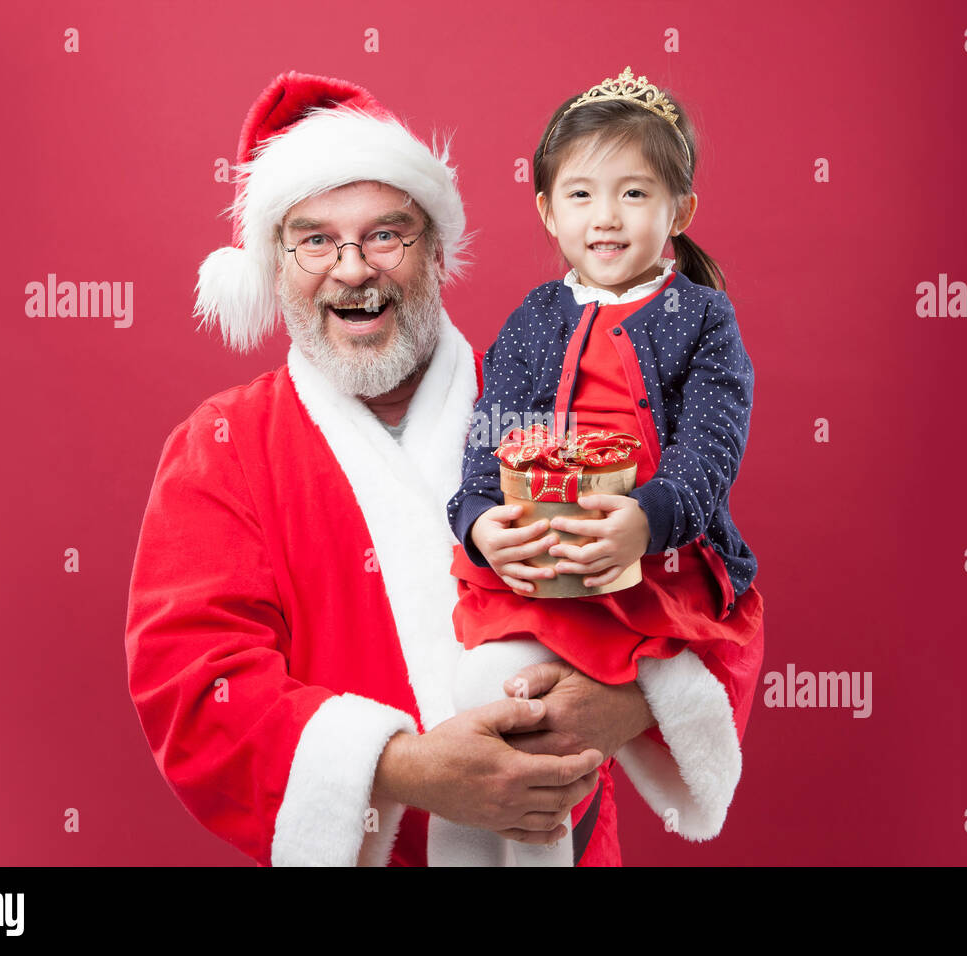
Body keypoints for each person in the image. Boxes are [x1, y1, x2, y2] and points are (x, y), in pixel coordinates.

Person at [125, 70, 765, 867]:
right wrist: (411, 768)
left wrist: (622, 703)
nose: (353, 269)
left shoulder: (551, 400)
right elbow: (195, 689)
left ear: (435, 250)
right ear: (276, 264)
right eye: (315, 239)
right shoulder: (219, 448)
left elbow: (707, 580)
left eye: (386, 234)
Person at [439, 67, 765, 866]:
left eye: (634, 194)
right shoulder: (534, 318)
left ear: (679, 211)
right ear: (549, 211)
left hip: (653, 572)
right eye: (581, 195)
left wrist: (647, 519)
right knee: (484, 716)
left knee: (551, 745)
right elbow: (492, 437)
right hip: (538, 573)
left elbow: (710, 451)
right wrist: (481, 523)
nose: (606, 217)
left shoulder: (701, 319)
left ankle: (655, 699)